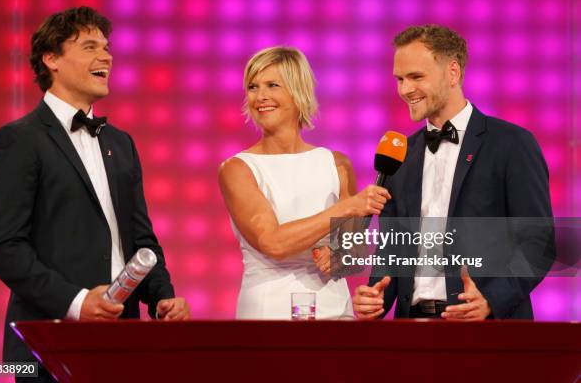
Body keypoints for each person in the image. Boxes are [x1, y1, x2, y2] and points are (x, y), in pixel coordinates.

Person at [0, 7, 189, 381]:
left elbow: (140, 239)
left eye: (107, 47)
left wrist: (161, 296)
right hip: (47, 341)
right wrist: (78, 302)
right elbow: (6, 249)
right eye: (90, 46)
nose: (106, 56)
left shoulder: (121, 143)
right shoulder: (18, 140)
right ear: (52, 59)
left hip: (120, 342)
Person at [352, 24, 554, 320]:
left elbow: (539, 242)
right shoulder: (400, 155)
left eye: (416, 77)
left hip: (488, 330)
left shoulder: (512, 144)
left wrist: (491, 300)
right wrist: (375, 294)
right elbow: (393, 248)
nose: (405, 89)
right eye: (399, 79)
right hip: (412, 329)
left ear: (453, 73)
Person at [218, 46, 391, 319]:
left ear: (298, 91)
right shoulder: (238, 169)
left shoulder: (336, 163)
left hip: (334, 310)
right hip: (269, 314)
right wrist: (345, 209)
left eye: (272, 85)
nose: (260, 96)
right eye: (253, 87)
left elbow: (353, 249)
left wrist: (340, 257)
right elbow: (273, 243)